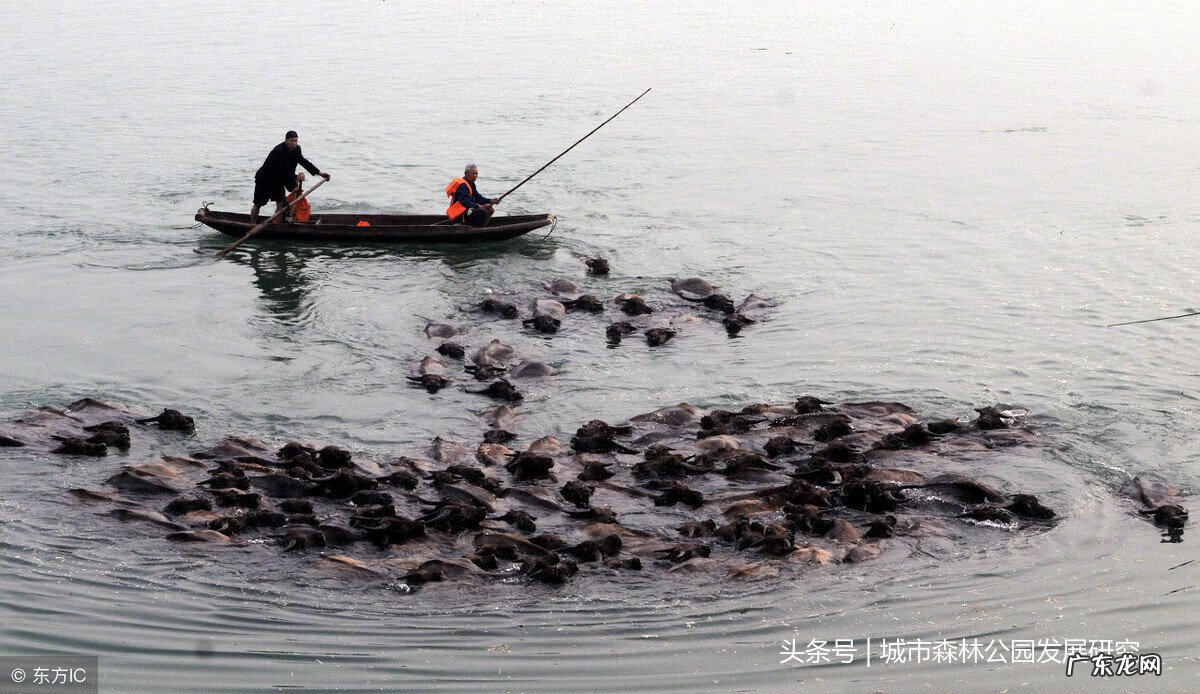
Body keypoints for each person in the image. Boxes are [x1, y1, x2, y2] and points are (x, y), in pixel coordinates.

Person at [250, 130, 330, 224]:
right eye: (292, 140)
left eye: (296, 140)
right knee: (258, 203)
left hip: (277, 179)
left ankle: (275, 225)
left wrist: (320, 173)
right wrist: (296, 177)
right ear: (286, 140)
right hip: (265, 178)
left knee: (280, 202)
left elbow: (304, 161)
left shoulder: (297, 149)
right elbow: (280, 170)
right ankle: (252, 225)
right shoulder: (278, 151)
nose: (294, 143)